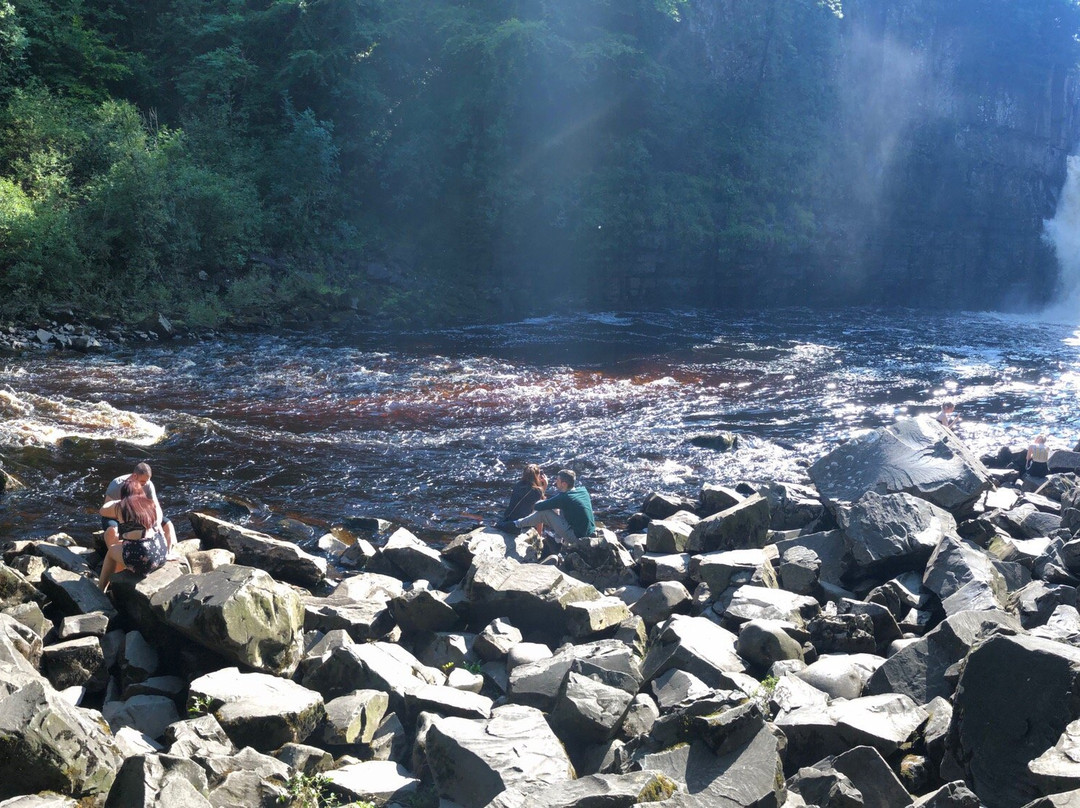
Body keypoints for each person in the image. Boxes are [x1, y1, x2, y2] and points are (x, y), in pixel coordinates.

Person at [97, 480, 172, 591]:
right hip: (160, 553)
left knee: (112, 551)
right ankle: (116, 576)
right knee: (123, 545)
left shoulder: (121, 507)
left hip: (144, 560)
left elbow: (103, 510)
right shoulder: (150, 504)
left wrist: (119, 500)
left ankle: (101, 588)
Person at [499, 469, 595, 548]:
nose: (555, 482)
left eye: (558, 480)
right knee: (555, 507)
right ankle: (558, 541)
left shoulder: (564, 497)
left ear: (564, 484)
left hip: (577, 538)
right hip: (588, 532)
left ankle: (515, 525)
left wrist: (542, 488)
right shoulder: (582, 491)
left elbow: (537, 506)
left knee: (544, 513)